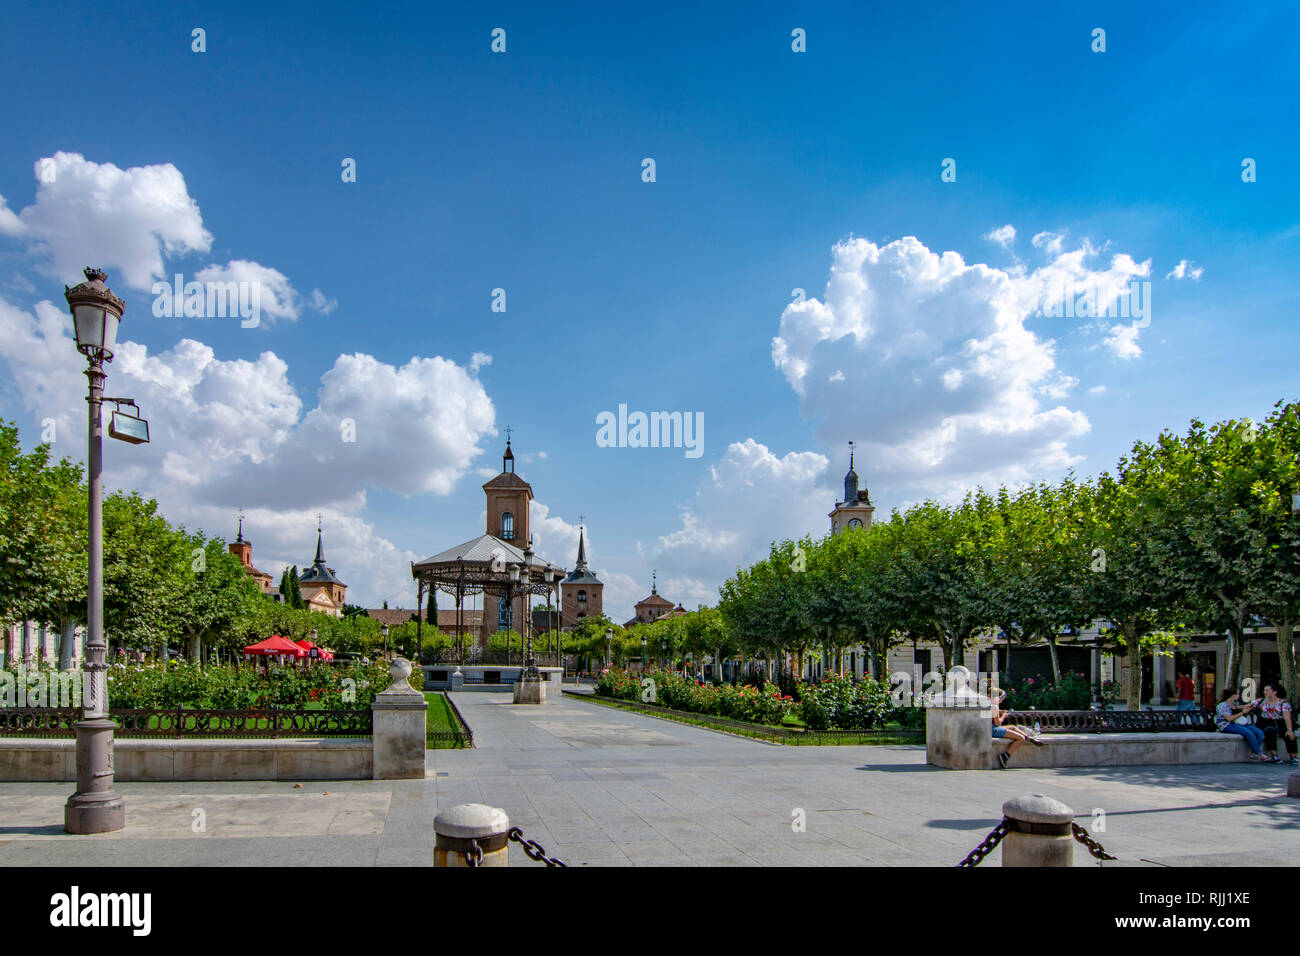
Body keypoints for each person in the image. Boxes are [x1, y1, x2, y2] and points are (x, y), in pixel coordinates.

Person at [991, 690, 1045, 768]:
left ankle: (1029, 737)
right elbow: (998, 723)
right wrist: (1004, 716)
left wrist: (1000, 712)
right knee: (1021, 738)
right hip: (993, 730)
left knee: (1013, 727)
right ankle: (1005, 755)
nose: (1002, 701)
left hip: (990, 728)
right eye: (1002, 698)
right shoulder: (994, 707)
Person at [1214, 688, 1271, 762]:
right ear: (1232, 695)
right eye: (1237, 694)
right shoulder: (1223, 705)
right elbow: (1229, 718)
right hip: (1227, 725)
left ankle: (1253, 751)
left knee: (1259, 732)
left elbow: (1239, 707)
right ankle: (1259, 753)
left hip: (1238, 723)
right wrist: (1243, 713)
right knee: (1248, 732)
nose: (1239, 696)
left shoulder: (1233, 704)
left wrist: (1252, 704)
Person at [1256, 685, 1296, 765]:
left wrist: (1289, 730)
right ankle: (1274, 755)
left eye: (1267, 690)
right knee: (1270, 731)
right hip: (1266, 722)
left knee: (1289, 735)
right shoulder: (1261, 701)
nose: (1265, 692)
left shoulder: (1283, 704)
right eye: (1264, 690)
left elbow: (1287, 718)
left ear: (1274, 692)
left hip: (1280, 723)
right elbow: (1248, 706)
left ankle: (1293, 756)